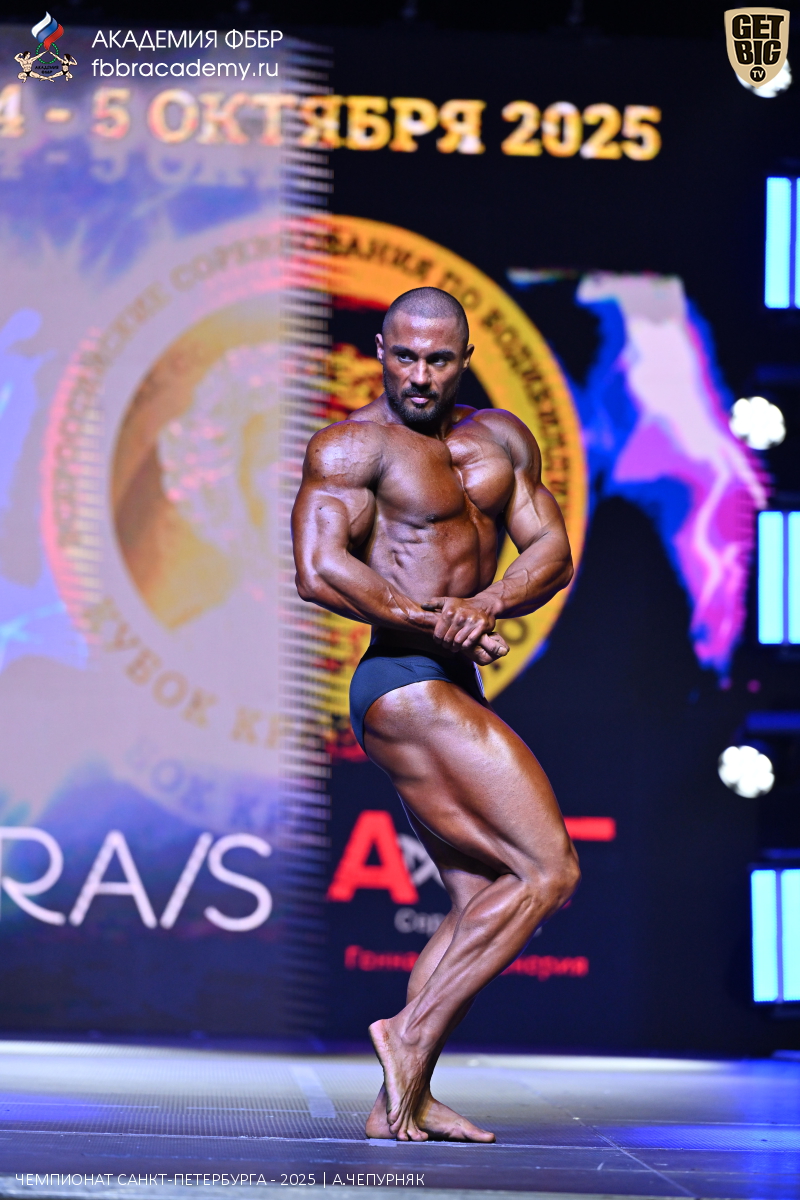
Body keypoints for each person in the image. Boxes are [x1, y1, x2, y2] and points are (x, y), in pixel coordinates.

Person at [292, 287, 580, 1143]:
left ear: (465, 359)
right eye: (406, 356)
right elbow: (319, 568)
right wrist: (433, 620)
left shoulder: (500, 440)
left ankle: (401, 1103)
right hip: (402, 680)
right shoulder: (353, 446)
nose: (420, 375)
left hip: (451, 678)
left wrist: (488, 601)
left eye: (439, 359)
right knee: (549, 870)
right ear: (382, 350)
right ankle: (407, 1037)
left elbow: (552, 550)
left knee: (480, 898)